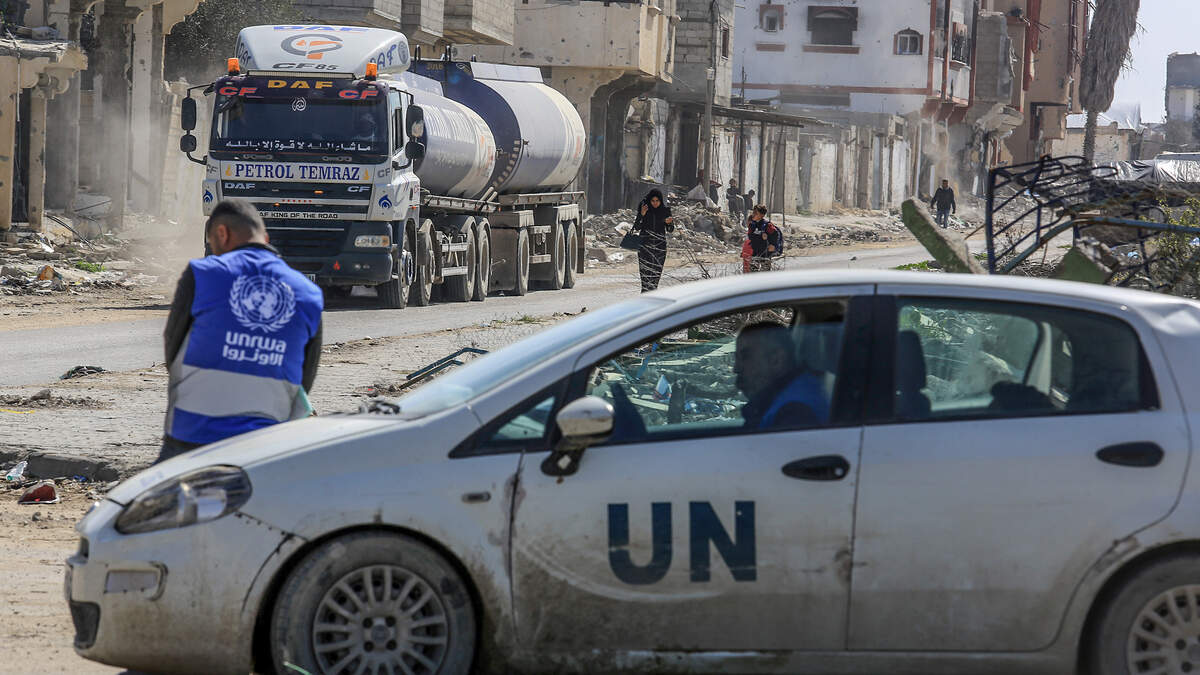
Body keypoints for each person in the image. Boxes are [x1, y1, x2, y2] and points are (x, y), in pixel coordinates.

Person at [158, 199, 324, 464]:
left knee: (154, 501)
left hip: (192, 434)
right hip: (266, 444)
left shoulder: (202, 273)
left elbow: (173, 348)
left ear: (222, 234)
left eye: (213, 244)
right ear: (264, 237)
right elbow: (305, 380)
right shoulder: (310, 294)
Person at [734, 322, 829, 430]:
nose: (736, 368)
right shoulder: (789, 394)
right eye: (736, 358)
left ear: (776, 360)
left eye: (746, 356)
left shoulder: (795, 414)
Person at [633, 189, 674, 292]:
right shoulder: (645, 210)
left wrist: (669, 223)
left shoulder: (665, 211)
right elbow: (637, 227)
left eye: (657, 201)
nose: (655, 203)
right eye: (653, 201)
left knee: (655, 277)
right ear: (649, 201)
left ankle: (653, 298)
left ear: (660, 201)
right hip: (644, 248)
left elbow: (670, 230)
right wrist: (641, 214)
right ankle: (645, 299)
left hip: (660, 249)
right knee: (645, 277)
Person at [745, 205, 783, 272]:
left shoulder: (767, 225)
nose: (753, 214)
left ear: (762, 215)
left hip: (766, 252)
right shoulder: (752, 225)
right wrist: (760, 237)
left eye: (756, 213)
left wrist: (772, 244)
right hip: (755, 251)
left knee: (765, 272)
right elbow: (751, 236)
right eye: (753, 212)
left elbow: (775, 234)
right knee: (753, 271)